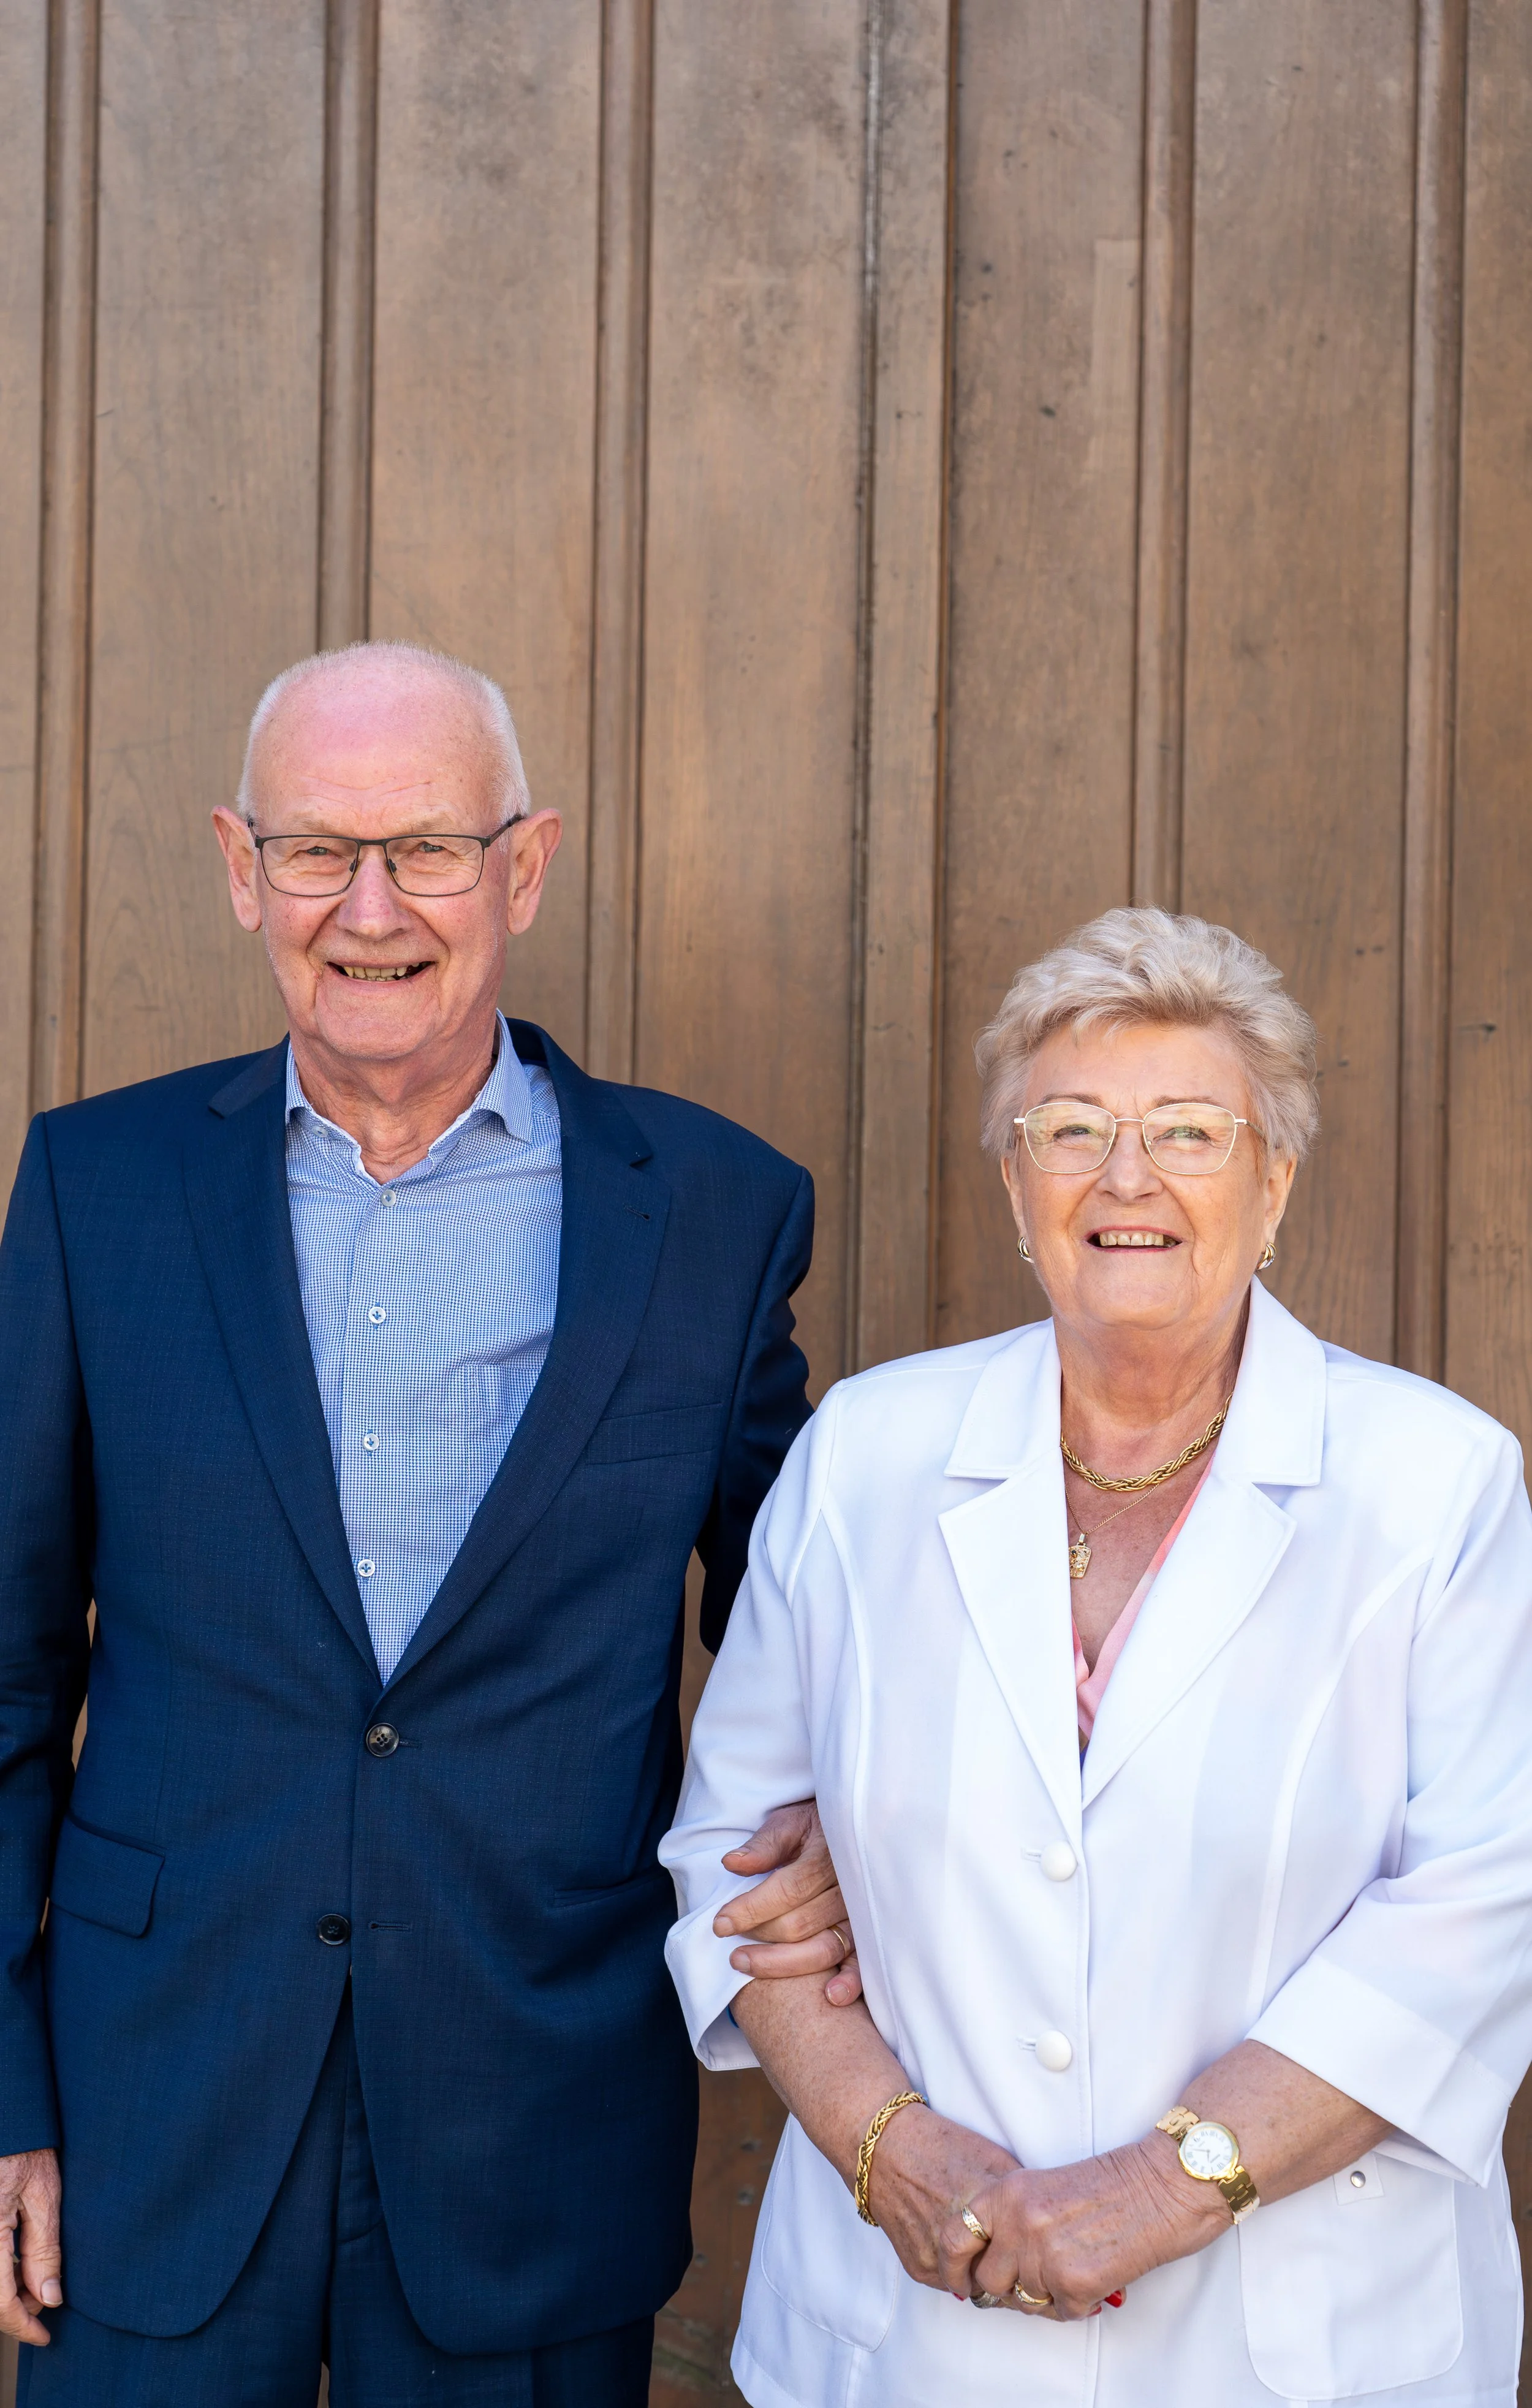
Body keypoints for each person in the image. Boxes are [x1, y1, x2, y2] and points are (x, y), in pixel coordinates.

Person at [0, 640, 847, 2404]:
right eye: (317, 850)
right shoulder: (98, 1190)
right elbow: (5, 1684)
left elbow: (815, 1645)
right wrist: (4, 2090)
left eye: (428, 851)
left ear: (520, 868)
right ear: (242, 870)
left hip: (531, 2107)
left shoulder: (705, 1210)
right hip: (149, 2105)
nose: (368, 906)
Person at [662, 906, 1532, 2408]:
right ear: (1014, 1183)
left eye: (1188, 1128)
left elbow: (1483, 1901)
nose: (1125, 1175)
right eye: (1069, 1127)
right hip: (907, 2328)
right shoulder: (865, 1454)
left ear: (1271, 1182)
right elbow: (729, 1868)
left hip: (1300, 2340)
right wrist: (894, 2151)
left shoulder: (1431, 1482)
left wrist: (1176, 2176)